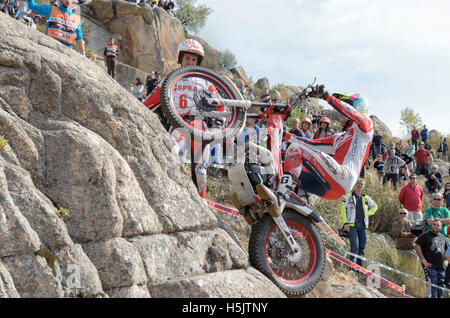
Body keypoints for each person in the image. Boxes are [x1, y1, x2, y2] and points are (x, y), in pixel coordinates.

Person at [257, 86, 374, 217]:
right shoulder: (339, 137)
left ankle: (281, 197)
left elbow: (355, 115)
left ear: (358, 107)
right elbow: (310, 144)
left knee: (296, 150)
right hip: (330, 187)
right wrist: (283, 134)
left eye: (345, 106)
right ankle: (267, 206)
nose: (339, 113)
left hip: (344, 175)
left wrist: (327, 97)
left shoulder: (366, 127)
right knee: (282, 167)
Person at [143, 39, 217, 198]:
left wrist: (218, 125)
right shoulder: (168, 80)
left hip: (199, 124)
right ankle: (169, 194)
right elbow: (149, 102)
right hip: (177, 123)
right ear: (180, 59)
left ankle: (201, 202)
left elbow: (220, 106)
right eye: (188, 58)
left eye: (194, 59)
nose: (191, 61)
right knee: (172, 154)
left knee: (200, 169)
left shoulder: (206, 82)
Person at [340, 178, 378, 267]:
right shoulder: (348, 196)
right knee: (355, 247)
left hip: (363, 225)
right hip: (352, 225)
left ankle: (358, 270)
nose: (360, 185)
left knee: (362, 248)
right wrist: (345, 223)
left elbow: (375, 206)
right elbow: (342, 209)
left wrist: (368, 213)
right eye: (358, 183)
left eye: (361, 184)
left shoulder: (366, 198)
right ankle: (352, 269)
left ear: (363, 186)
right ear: (355, 184)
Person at [415, 219, 449, 298]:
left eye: (438, 225)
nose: (436, 226)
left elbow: (448, 251)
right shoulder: (425, 235)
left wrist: (447, 261)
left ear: (441, 227)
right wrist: (423, 260)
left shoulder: (444, 238)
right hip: (430, 266)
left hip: (441, 268)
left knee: (440, 290)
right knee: (432, 289)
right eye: (434, 224)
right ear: (431, 225)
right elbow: (417, 247)